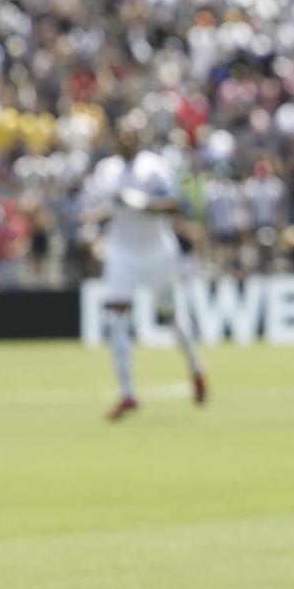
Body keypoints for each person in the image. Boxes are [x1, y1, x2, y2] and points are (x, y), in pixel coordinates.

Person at [88, 123, 209, 421]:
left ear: (139, 140)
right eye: (121, 136)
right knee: (117, 318)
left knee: (171, 316)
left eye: (130, 136)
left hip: (156, 252)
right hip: (122, 251)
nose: (125, 140)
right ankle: (128, 393)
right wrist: (95, 217)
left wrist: (138, 201)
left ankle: (196, 367)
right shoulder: (107, 169)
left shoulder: (154, 167)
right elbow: (113, 206)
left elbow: (175, 204)